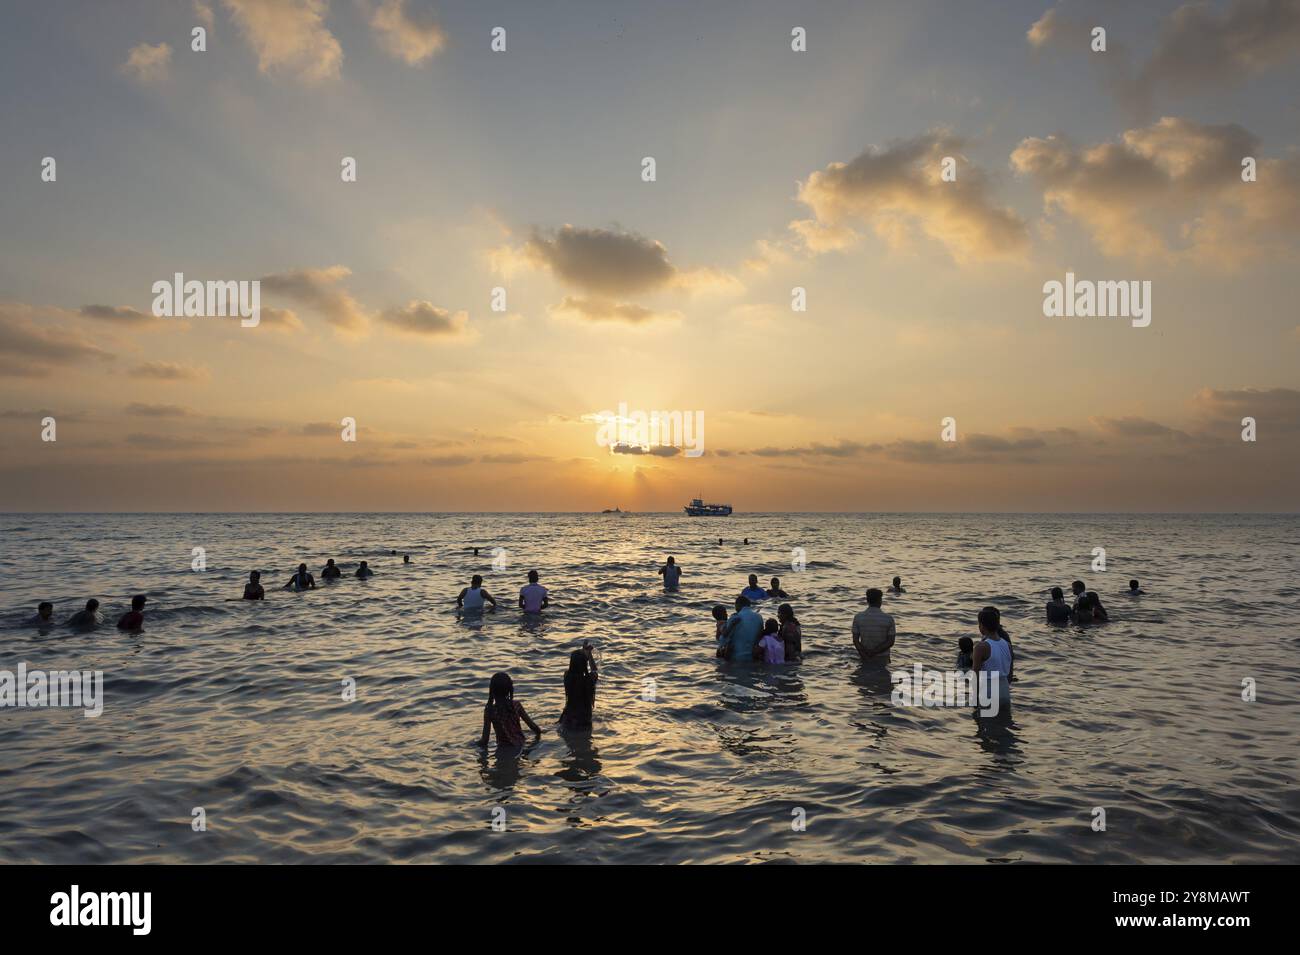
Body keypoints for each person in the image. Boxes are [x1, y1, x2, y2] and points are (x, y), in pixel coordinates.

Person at [477, 672, 541, 748]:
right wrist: (539, 736)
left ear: (492, 691)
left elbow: (484, 741)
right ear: (509, 690)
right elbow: (534, 727)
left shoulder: (490, 711)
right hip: (521, 744)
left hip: (504, 749)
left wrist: (473, 744)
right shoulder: (516, 705)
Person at [972, 606, 1013, 706]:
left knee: (985, 720)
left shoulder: (980, 647)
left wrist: (975, 698)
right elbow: (1010, 672)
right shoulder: (1007, 645)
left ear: (982, 626)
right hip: (1005, 690)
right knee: (1004, 720)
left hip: (989, 691)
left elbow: (975, 675)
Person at [559, 643, 598, 731]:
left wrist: (584, 653)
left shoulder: (567, 677)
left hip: (567, 719)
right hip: (583, 721)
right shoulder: (589, 680)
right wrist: (589, 654)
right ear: (585, 663)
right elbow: (594, 670)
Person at [852, 588, 896, 664]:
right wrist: (874, 652)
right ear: (880, 601)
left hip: (864, 657)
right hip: (883, 658)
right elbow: (890, 642)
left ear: (867, 600)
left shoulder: (858, 617)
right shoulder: (888, 619)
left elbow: (856, 641)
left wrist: (866, 654)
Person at [719, 596, 763, 660]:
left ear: (738, 604)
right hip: (752, 657)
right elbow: (760, 635)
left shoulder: (735, 617)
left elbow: (723, 640)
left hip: (736, 657)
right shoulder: (759, 617)